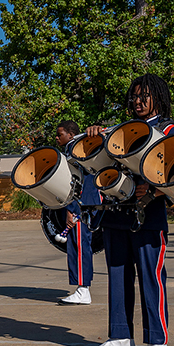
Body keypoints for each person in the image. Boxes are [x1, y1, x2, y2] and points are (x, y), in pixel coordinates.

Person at [85, 75, 174, 346]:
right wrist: (94, 137)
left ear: (159, 98)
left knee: (151, 277)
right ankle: (120, 336)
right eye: (135, 96)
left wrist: (153, 188)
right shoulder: (118, 131)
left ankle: (157, 341)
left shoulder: (170, 130)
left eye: (145, 96)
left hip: (148, 215)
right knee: (117, 276)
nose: (138, 101)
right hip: (116, 214)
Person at [55, 120, 102, 305]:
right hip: (84, 203)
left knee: (81, 246)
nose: (57, 138)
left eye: (60, 134)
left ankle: (83, 290)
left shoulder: (76, 149)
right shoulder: (73, 150)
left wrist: (72, 209)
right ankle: (81, 288)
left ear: (71, 135)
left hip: (83, 205)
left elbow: (76, 182)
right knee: (77, 245)